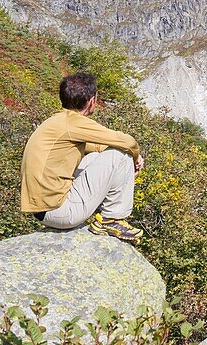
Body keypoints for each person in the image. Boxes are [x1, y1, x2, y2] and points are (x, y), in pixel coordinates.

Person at [20, 72, 145, 243]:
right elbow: (128, 142)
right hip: (60, 211)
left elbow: (91, 147)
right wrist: (135, 156)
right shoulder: (73, 122)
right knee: (121, 155)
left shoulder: (58, 121)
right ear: (91, 100)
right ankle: (112, 219)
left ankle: (109, 217)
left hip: (44, 209)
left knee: (98, 155)